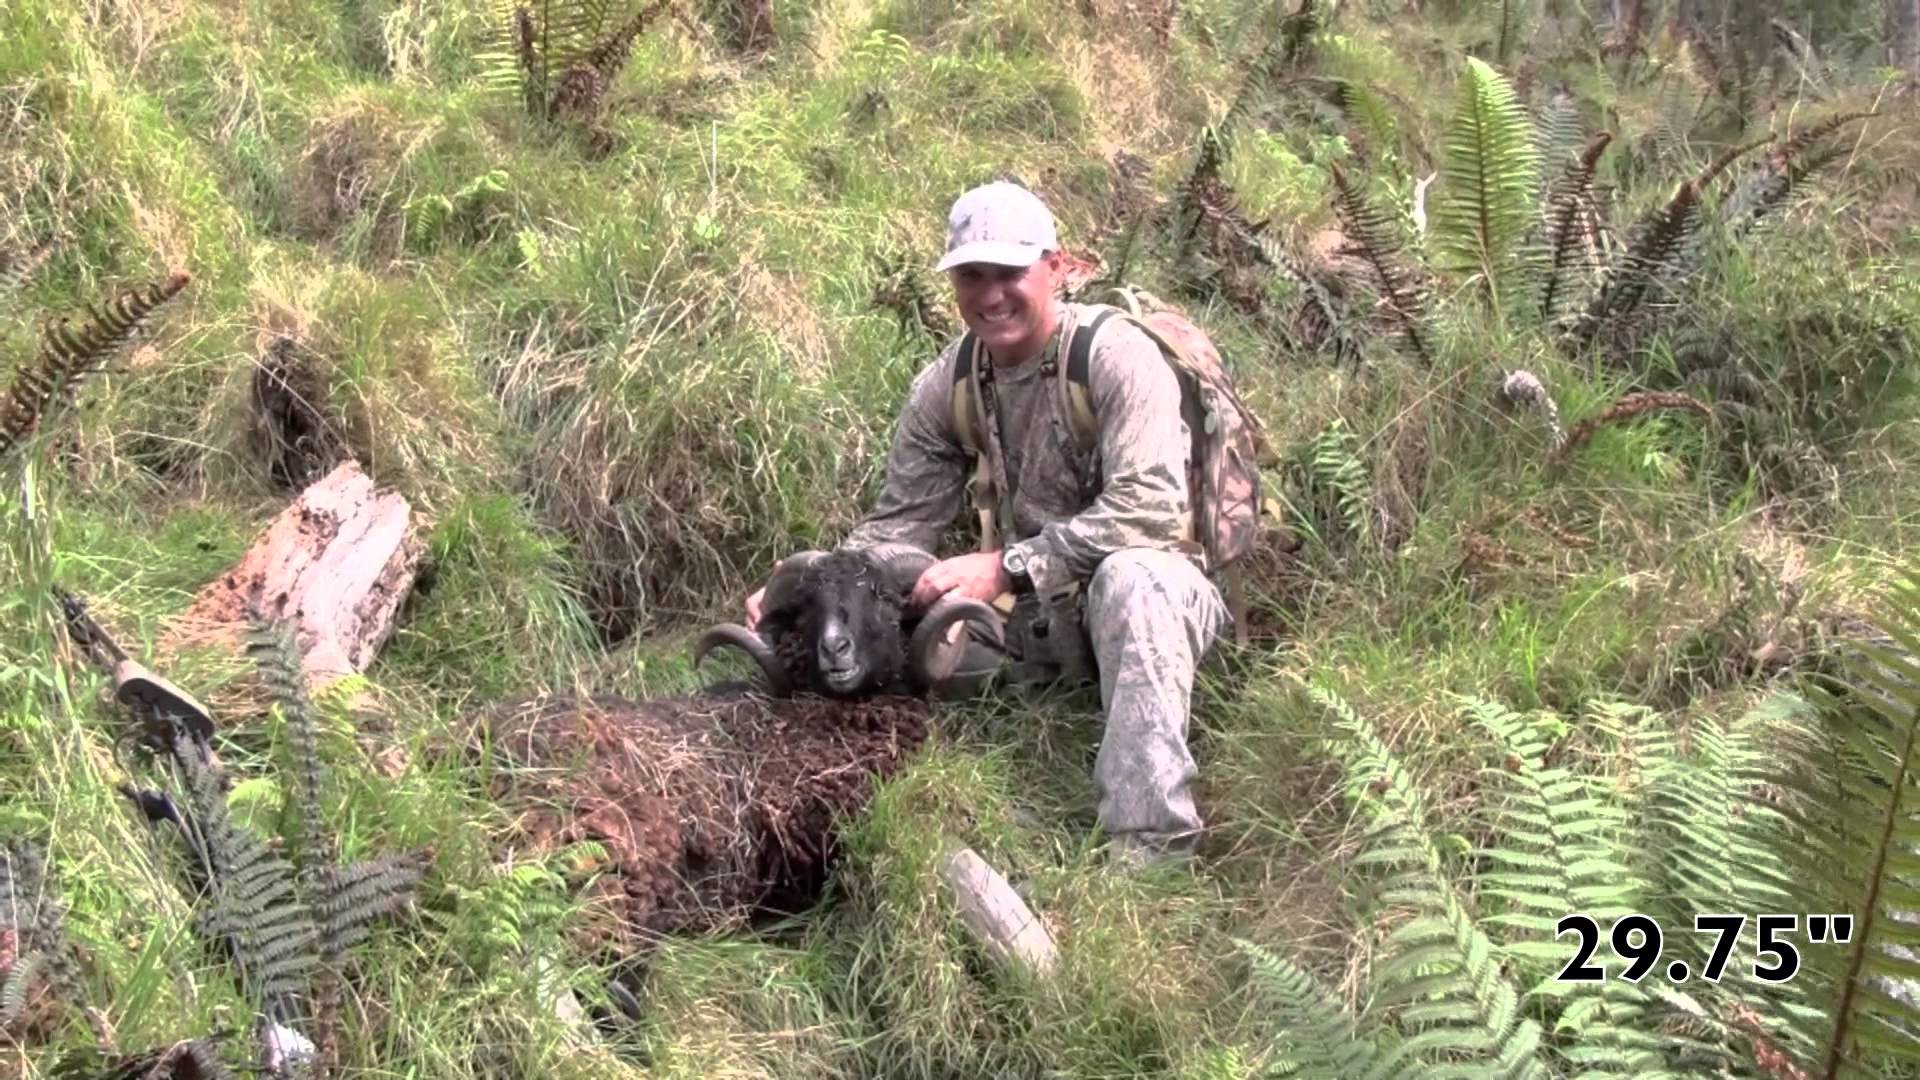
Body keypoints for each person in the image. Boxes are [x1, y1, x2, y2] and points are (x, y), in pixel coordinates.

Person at [746, 181, 1229, 865]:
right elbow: (897, 530)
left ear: (1057, 268)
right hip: (1034, 614)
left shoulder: (1116, 358)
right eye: (972, 275)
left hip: (1155, 597)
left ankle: (1148, 845)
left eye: (1010, 273)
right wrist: (811, 583)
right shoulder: (950, 382)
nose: (991, 294)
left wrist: (1004, 565)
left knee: (1133, 581)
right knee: (886, 617)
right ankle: (860, 810)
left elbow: (1149, 510)